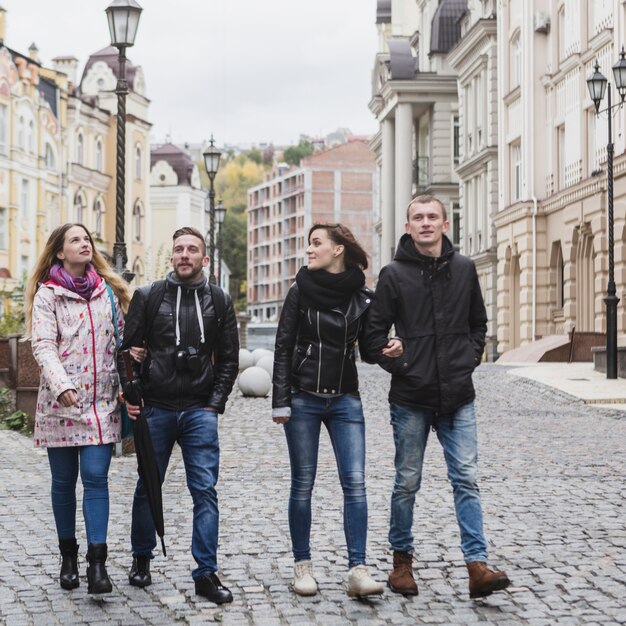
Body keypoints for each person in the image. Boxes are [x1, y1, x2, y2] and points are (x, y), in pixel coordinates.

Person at [361, 195, 511, 599]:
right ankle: (401, 564)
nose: (425, 223)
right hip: (410, 396)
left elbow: (478, 324)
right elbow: (371, 340)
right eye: (417, 218)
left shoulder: (464, 269)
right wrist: (396, 359)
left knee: (466, 478)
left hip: (458, 396)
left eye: (432, 217)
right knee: (407, 481)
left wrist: (466, 361)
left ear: (445, 224)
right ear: (408, 227)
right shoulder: (393, 274)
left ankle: (477, 566)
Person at [272, 223, 395, 598]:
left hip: (345, 399)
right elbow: (283, 345)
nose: (309, 250)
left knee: (355, 484)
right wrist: (281, 399)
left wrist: (391, 352)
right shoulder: (299, 291)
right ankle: (302, 567)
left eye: (316, 243)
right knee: (303, 484)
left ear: (338, 249)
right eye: (309, 244)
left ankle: (357, 569)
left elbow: (371, 350)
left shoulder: (362, 297)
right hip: (304, 396)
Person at [121, 226, 239, 604]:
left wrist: (214, 403)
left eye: (192, 250)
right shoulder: (148, 296)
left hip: (198, 411)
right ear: (171, 256)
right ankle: (142, 557)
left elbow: (230, 360)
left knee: (204, 491)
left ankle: (205, 572)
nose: (184, 255)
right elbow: (127, 352)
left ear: (204, 259)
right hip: (155, 407)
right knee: (147, 486)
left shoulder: (219, 300)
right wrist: (133, 391)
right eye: (179, 249)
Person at [24, 223, 131, 595]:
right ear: (59, 252)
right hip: (61, 405)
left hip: (102, 403)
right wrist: (62, 384)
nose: (85, 244)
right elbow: (42, 345)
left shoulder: (107, 292)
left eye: (87, 239)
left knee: (97, 477)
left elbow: (122, 339)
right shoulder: (47, 296)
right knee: (64, 483)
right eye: (76, 240)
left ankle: (97, 564)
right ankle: (68, 556)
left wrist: (134, 359)